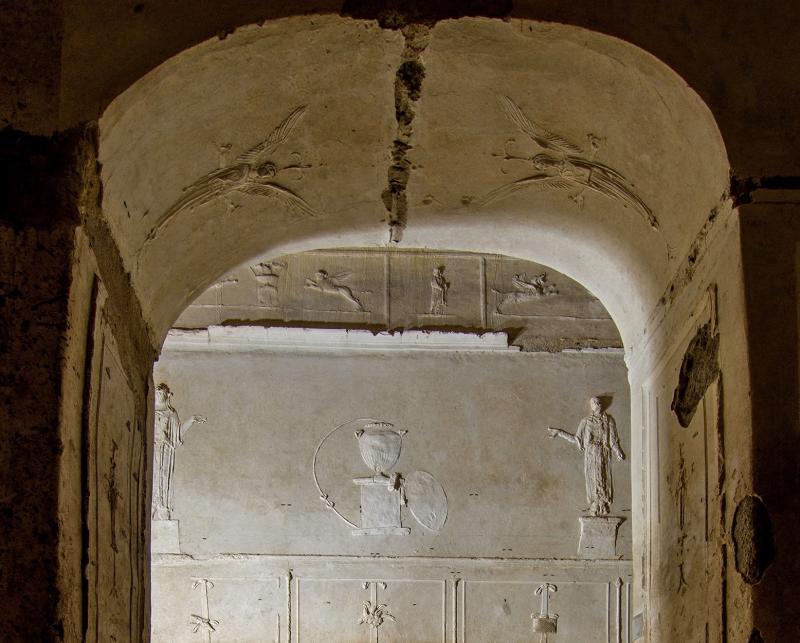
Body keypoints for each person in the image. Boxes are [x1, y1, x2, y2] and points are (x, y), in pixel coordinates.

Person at [548, 396, 625, 516]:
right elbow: (576, 439)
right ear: (592, 406)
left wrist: (618, 451)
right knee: (593, 478)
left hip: (603, 454)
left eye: (598, 402)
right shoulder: (586, 421)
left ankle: (603, 505)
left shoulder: (609, 420)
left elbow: (613, 440)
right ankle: (595, 505)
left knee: (603, 477)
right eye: (594, 402)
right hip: (591, 453)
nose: (597, 403)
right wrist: (559, 433)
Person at [152, 383, 206, 520]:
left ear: (167, 395)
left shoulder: (171, 413)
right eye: (157, 392)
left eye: (161, 392)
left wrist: (191, 420)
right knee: (151, 477)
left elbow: (177, 436)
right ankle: (152, 507)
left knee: (163, 478)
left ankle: (162, 507)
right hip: (152, 451)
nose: (159, 394)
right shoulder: (148, 411)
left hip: (165, 452)